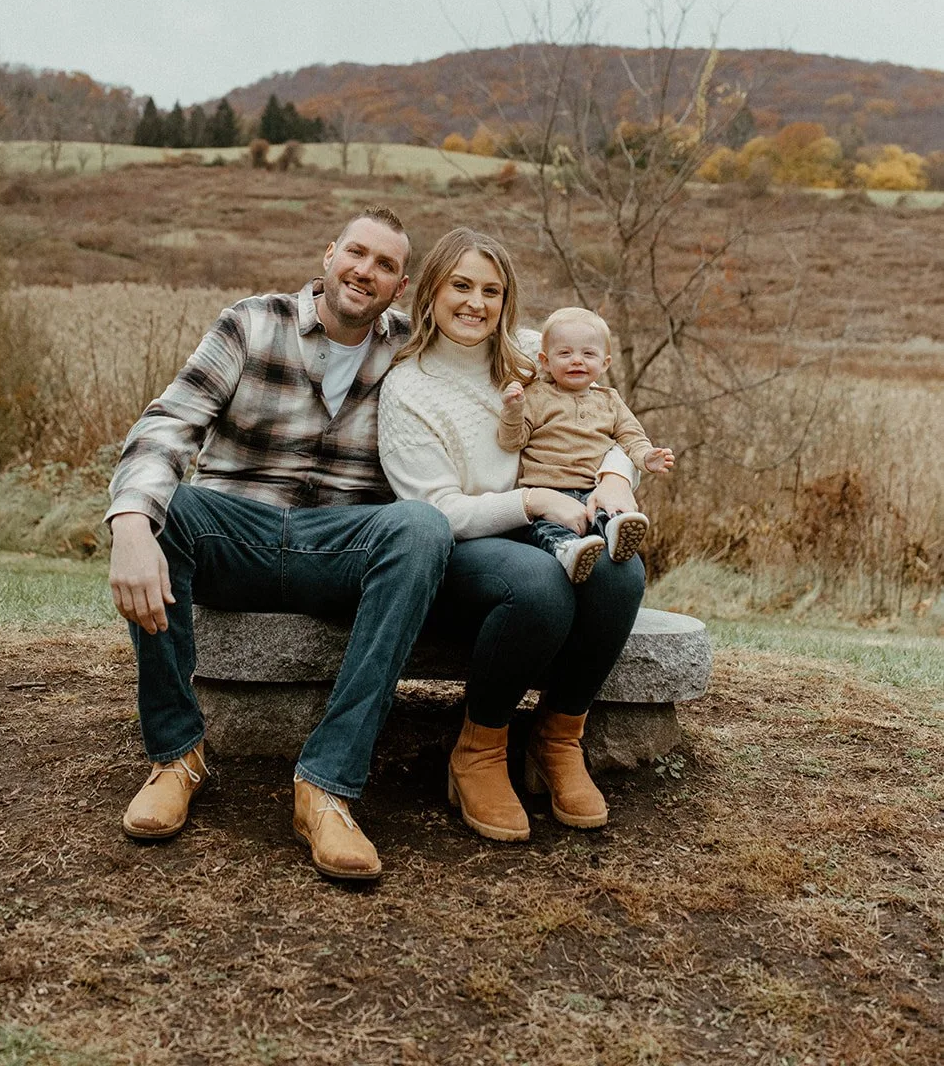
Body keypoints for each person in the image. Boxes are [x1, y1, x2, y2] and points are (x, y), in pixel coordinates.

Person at [106, 205, 452, 882]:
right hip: (236, 531)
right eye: (357, 253)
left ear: (400, 285)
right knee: (164, 507)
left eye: (385, 265)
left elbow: (501, 346)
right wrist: (128, 524)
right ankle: (177, 754)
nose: (366, 271)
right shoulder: (250, 321)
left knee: (420, 526)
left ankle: (326, 786)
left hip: (340, 546)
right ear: (328, 255)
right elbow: (168, 425)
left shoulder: (412, 347)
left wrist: (597, 428)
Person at [377, 227, 645, 843]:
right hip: (460, 548)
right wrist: (532, 499)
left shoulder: (533, 353)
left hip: (557, 519)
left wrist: (616, 478)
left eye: (491, 290)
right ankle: (480, 749)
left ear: (507, 300)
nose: (475, 302)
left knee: (618, 571)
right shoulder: (410, 387)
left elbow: (604, 416)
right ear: (431, 294)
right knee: (538, 586)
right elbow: (437, 511)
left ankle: (558, 741)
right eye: (461, 286)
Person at [498, 305, 674, 584]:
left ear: (604, 363)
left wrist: (645, 457)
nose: (576, 361)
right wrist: (512, 410)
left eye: (588, 354)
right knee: (546, 530)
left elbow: (631, 435)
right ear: (545, 361)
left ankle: (615, 532)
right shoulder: (535, 397)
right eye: (565, 353)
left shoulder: (610, 400)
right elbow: (512, 441)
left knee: (608, 512)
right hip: (548, 493)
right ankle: (568, 551)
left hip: (594, 491)